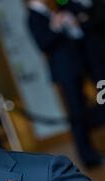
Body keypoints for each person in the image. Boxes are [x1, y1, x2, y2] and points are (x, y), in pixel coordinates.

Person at [27, 0, 104, 168]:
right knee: (76, 114)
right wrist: (55, 26)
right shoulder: (33, 17)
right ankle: (87, 156)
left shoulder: (51, 10)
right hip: (65, 72)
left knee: (84, 109)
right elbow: (43, 44)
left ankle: (93, 150)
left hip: (76, 66)